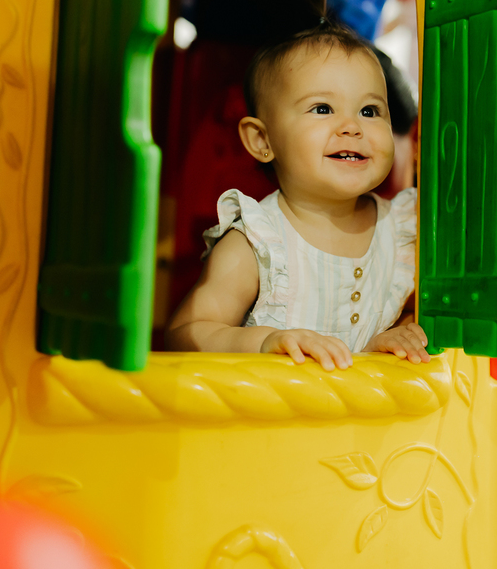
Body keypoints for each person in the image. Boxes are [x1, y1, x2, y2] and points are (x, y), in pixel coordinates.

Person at [166, 23, 428, 370]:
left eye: (369, 111)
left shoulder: (402, 231)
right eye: (322, 108)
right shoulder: (259, 243)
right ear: (262, 140)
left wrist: (393, 336)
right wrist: (265, 342)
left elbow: (407, 314)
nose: (352, 126)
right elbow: (185, 333)